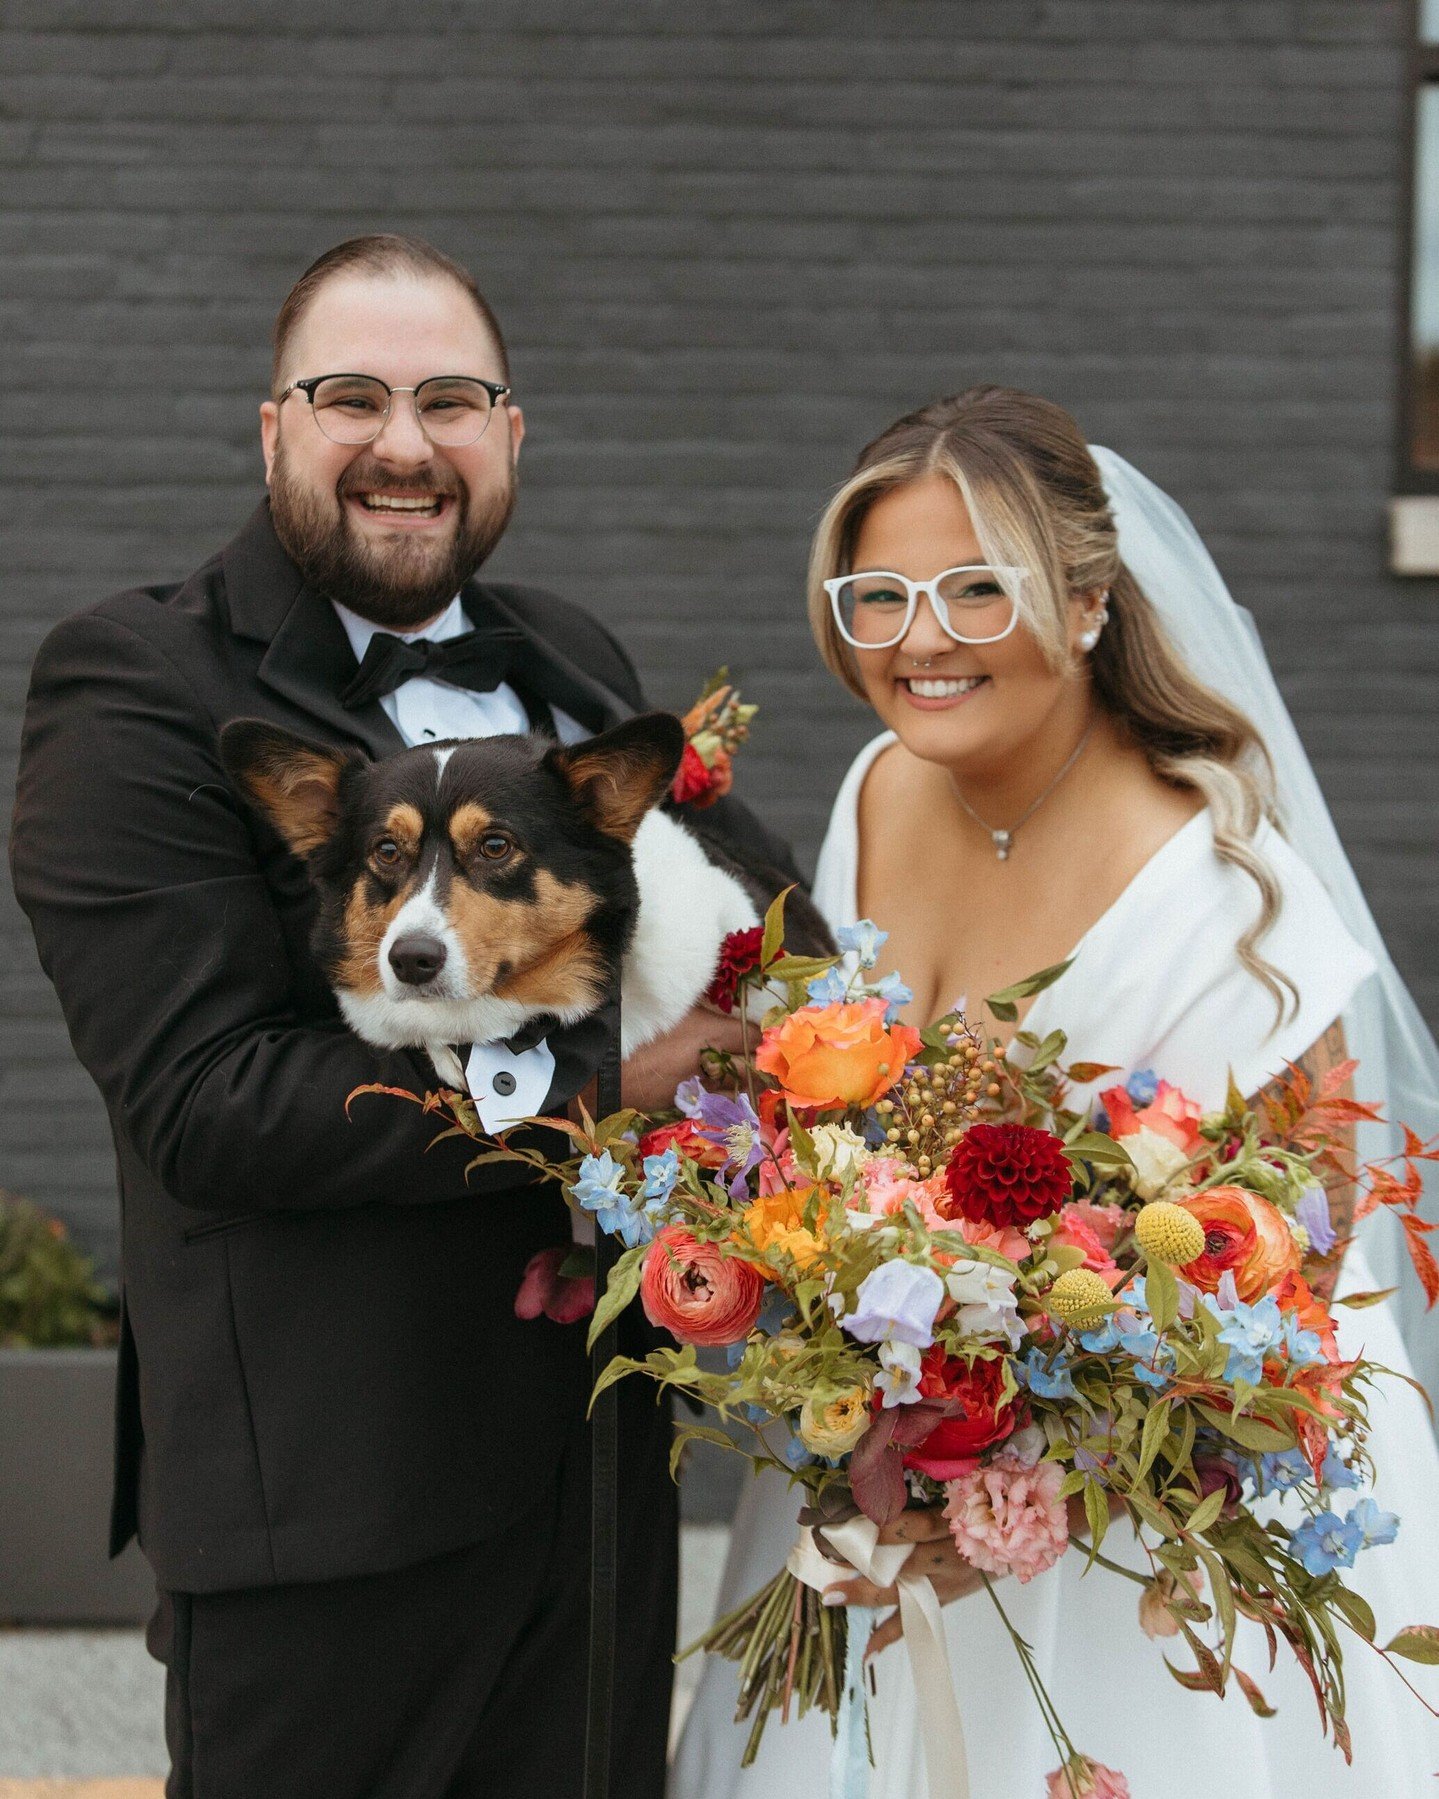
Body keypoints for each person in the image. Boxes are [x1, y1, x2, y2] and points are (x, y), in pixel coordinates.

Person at [9, 233, 802, 1799]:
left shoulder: (576, 661)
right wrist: (614, 1087)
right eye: (350, 397)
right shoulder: (135, 682)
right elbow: (208, 1098)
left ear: (509, 435)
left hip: (595, 1480)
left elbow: (727, 944)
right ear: (272, 430)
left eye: (452, 400)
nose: (403, 443)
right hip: (329, 1513)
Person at [673, 388, 1439, 1797]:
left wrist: (1036, 1483)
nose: (921, 639)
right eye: (880, 594)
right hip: (893, 1479)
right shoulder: (874, 790)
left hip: (1143, 1537)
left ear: (1086, 602)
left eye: (978, 589)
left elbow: (1307, 1262)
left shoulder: (1220, 877)